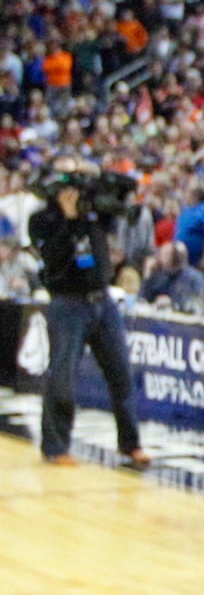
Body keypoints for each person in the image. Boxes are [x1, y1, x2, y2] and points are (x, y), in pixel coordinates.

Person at [28, 156, 150, 469]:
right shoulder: (42, 219)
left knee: (121, 374)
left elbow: (123, 196)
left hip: (103, 301)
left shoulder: (94, 211)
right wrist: (68, 220)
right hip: (67, 303)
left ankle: (130, 444)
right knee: (62, 377)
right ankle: (55, 447)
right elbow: (53, 258)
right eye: (69, 178)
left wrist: (99, 176)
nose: (75, 185)